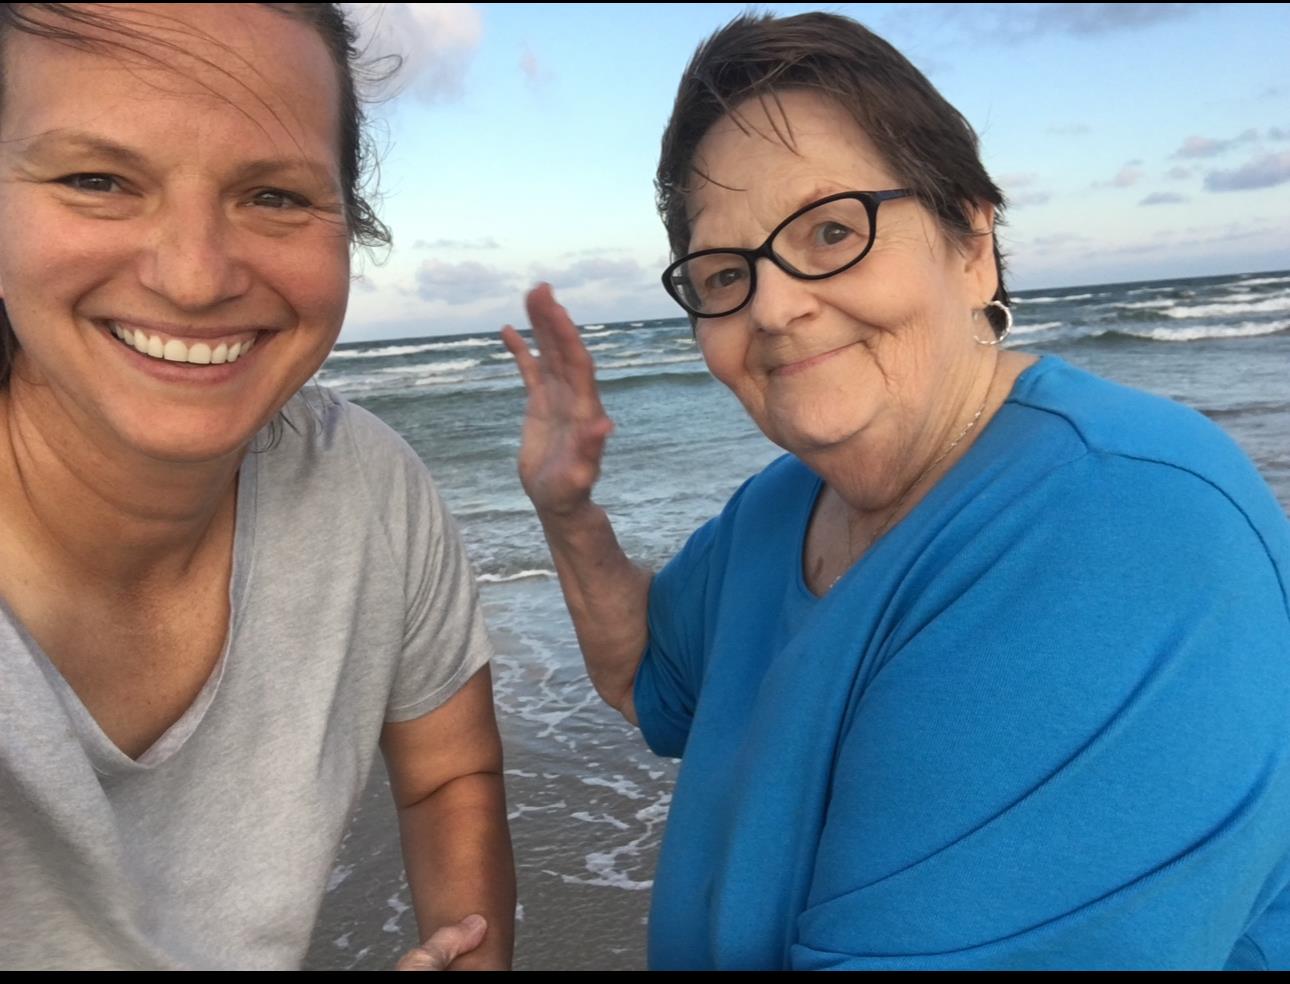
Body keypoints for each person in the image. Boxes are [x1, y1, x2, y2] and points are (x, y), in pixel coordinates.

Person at [503, 11, 1290, 971]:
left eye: (832, 230)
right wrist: (568, 511)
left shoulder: (1123, 523)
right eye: (724, 272)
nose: (774, 305)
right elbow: (651, 684)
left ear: (971, 242)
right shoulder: (780, 509)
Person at [0, 3, 512, 971]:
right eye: (97, 180)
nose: (194, 278)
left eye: (274, 196)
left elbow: (452, 777)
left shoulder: (369, 490)